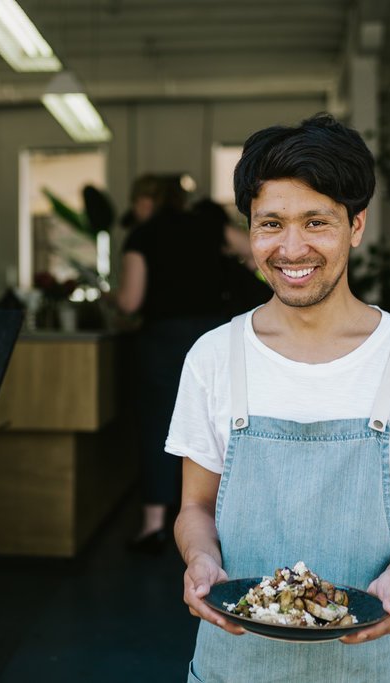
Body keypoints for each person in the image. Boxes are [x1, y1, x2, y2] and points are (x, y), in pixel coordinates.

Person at [168, 114, 390, 681]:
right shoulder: (213, 357)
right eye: (271, 223)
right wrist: (200, 559)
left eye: (316, 222)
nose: (291, 248)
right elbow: (194, 507)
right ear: (249, 230)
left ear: (356, 225)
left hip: (370, 668)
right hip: (234, 666)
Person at [116, 175, 230, 553]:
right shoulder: (207, 226)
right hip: (214, 335)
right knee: (218, 425)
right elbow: (253, 249)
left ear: (146, 201)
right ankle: (220, 520)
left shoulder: (142, 235)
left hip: (163, 339)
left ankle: (154, 526)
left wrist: (111, 298)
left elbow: (131, 301)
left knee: (157, 426)